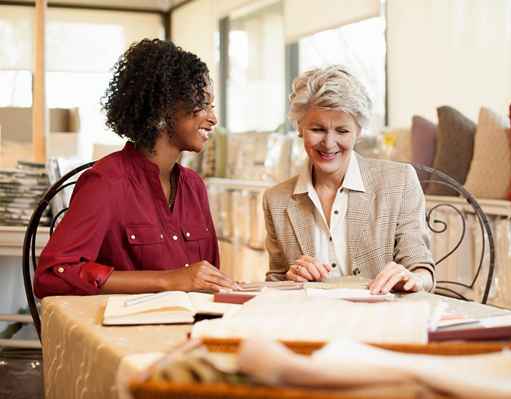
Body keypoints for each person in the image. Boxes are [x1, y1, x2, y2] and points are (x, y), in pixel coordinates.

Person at [34, 38, 236, 298]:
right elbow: (51, 275)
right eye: (202, 104)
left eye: (212, 106)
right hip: (128, 334)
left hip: (193, 329)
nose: (213, 118)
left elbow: (205, 282)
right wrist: (167, 280)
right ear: (164, 107)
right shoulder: (106, 182)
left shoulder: (194, 186)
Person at [263, 65, 435, 294]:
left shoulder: (399, 181)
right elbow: (275, 282)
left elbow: (422, 270)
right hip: (311, 325)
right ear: (300, 127)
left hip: (381, 323)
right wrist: (291, 278)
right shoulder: (276, 200)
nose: (329, 143)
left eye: (342, 131)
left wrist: (412, 278)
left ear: (359, 132)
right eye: (317, 129)